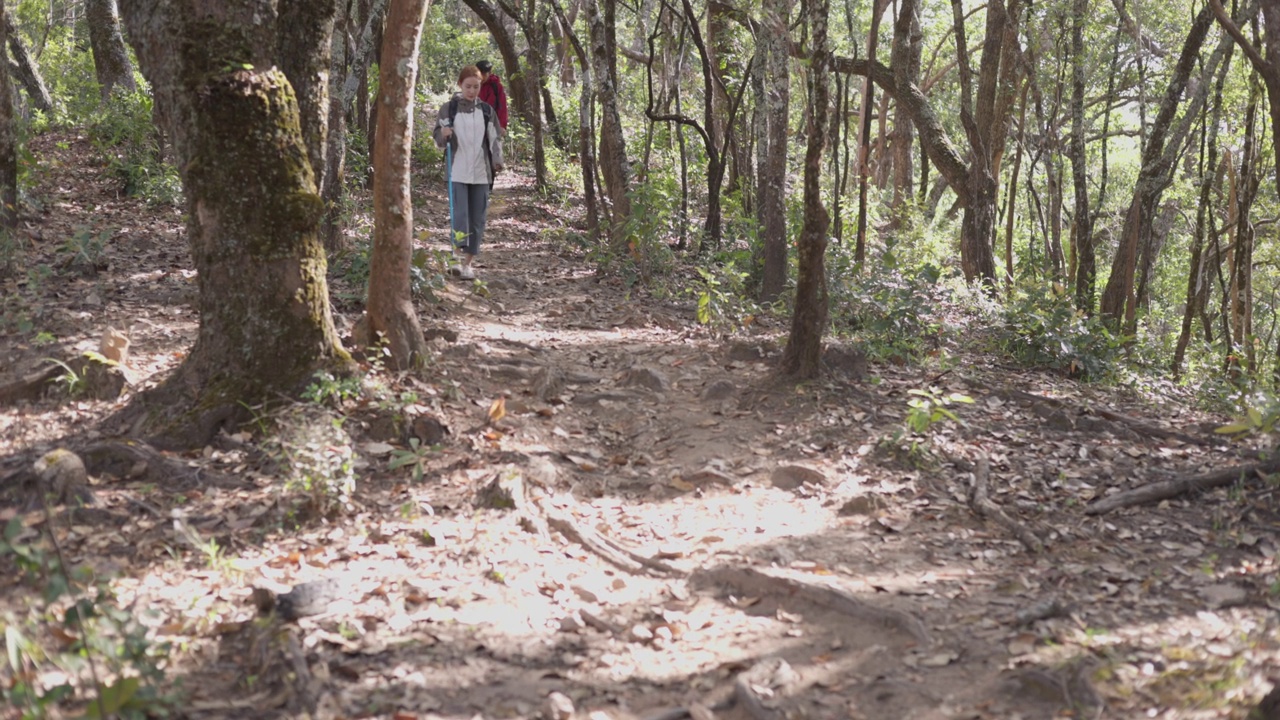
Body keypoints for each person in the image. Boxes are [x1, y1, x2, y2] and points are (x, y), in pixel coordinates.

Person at [432, 65, 504, 280]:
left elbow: (495, 138)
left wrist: (498, 161)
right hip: (458, 170)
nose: (472, 91)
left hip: (482, 172)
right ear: (460, 85)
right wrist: (443, 134)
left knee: (477, 218)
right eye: (468, 86)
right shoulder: (449, 109)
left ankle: (468, 265)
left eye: (476, 87)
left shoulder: (486, 111)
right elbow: (438, 137)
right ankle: (454, 258)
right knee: (460, 216)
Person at [475, 60, 509, 134]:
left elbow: (502, 107)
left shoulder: (496, 87)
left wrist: (502, 125)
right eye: (479, 74)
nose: (481, 77)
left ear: (489, 73)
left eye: (484, 74)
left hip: (492, 124)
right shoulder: (473, 85)